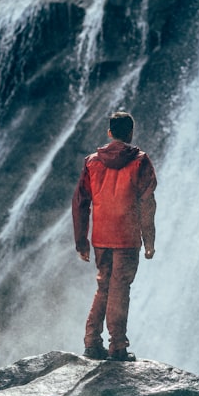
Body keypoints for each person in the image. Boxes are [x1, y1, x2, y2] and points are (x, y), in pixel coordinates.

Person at [72, 111, 157, 362]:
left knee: (104, 286)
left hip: (101, 237)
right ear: (130, 133)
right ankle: (117, 347)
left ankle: (91, 342)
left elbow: (79, 202)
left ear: (109, 133)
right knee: (120, 288)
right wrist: (149, 240)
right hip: (127, 237)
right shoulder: (140, 161)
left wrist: (81, 242)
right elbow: (147, 203)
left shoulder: (91, 162)